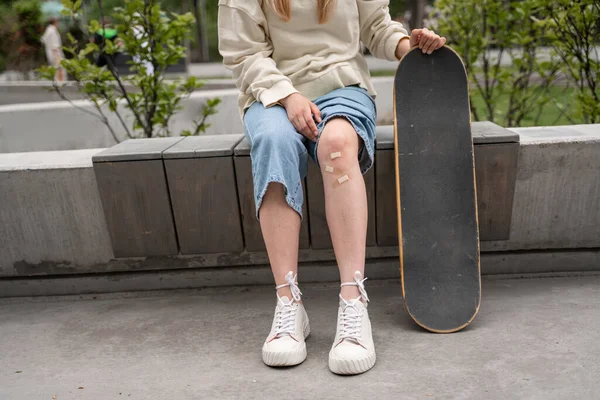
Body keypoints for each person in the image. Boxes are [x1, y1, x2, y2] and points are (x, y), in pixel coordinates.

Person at [218, 0, 446, 375]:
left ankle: (353, 301)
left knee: (337, 147)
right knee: (274, 143)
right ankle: (288, 304)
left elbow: (376, 26)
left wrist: (410, 46)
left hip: (343, 86)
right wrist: (288, 97)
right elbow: (243, 53)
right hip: (273, 94)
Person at [40, 17, 64, 82]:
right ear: (55, 22)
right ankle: (59, 83)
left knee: (55, 67)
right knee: (58, 68)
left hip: (51, 51)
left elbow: (43, 40)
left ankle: (58, 82)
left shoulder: (49, 30)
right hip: (55, 52)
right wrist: (56, 53)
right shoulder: (52, 30)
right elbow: (55, 44)